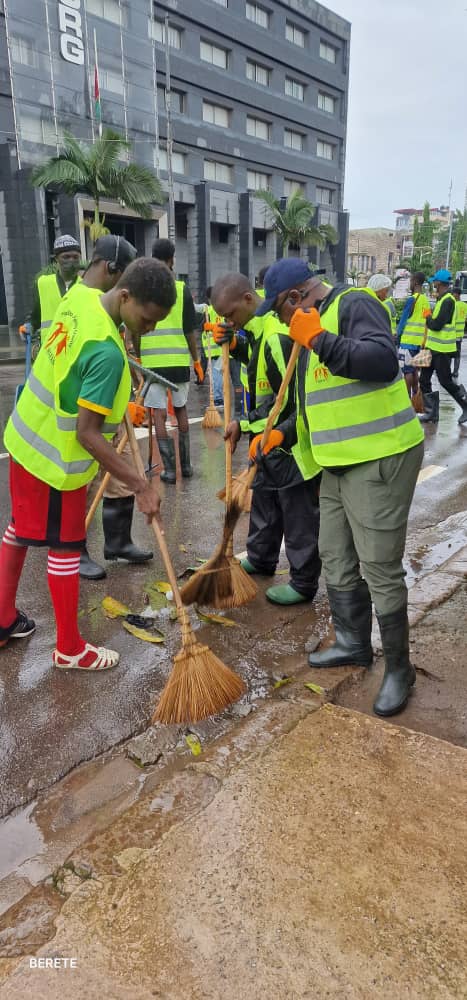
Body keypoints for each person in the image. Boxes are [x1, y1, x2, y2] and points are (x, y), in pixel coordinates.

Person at [259, 258, 425, 717]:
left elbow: (380, 362)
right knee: (334, 554)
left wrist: (318, 338)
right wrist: (282, 434)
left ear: (295, 297)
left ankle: (399, 668)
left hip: (380, 456)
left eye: (278, 311)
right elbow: (319, 404)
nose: (278, 321)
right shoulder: (306, 335)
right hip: (336, 464)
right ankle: (353, 642)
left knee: (378, 565)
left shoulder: (352, 304)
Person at [0, 259, 176, 670]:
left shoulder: (80, 296)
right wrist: (140, 484)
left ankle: (4, 620)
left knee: (19, 530)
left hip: (25, 438)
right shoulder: (107, 356)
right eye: (147, 321)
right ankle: (70, 648)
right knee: (65, 545)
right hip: (56, 462)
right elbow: (87, 434)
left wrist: (123, 335)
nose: (147, 330)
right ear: (126, 295)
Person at [211, 271, 321, 605]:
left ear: (248, 299)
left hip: (287, 443)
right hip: (265, 438)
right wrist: (236, 344)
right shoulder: (256, 332)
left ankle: (303, 582)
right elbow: (258, 366)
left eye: (230, 315)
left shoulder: (275, 336)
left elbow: (285, 402)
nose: (229, 321)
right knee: (265, 501)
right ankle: (261, 558)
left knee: (296, 511)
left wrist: (245, 425)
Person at [56, 235, 153, 581]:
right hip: (78, 416)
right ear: (112, 270)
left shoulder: (94, 300)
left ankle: (118, 542)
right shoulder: (85, 301)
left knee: (116, 474)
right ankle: (75, 550)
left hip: (101, 402)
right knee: (79, 486)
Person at [139, 238, 204, 483]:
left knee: (158, 415)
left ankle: (168, 470)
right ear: (171, 259)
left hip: (152, 364)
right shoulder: (181, 289)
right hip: (177, 362)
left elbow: (135, 329)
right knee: (181, 409)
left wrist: (137, 353)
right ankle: (185, 467)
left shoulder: (142, 289)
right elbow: (190, 330)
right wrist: (196, 361)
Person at [420, 269, 467, 424]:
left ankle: (465, 405)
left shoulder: (448, 301)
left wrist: (427, 315)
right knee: (424, 379)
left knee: (445, 381)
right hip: (431, 348)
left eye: (435, 281)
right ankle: (431, 413)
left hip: (441, 350)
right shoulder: (442, 299)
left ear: (439, 283)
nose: (433, 283)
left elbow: (436, 325)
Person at [28, 235, 81, 343]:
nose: (71, 260)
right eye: (66, 257)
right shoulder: (43, 283)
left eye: (75, 257)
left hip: (77, 349)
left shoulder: (86, 285)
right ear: (56, 258)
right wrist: (29, 326)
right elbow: (36, 315)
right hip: (51, 351)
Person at [397, 272, 431, 401]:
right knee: (415, 371)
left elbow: (403, 320)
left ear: (415, 282)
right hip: (421, 343)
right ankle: (416, 397)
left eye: (411, 281)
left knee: (407, 371)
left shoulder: (412, 299)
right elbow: (428, 321)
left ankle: (407, 400)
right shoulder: (425, 301)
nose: (410, 283)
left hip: (408, 342)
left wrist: (397, 334)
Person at [202, 287, 224, 405]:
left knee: (216, 374)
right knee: (219, 374)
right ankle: (219, 397)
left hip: (214, 349)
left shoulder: (208, 310)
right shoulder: (223, 308)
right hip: (222, 348)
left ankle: (218, 398)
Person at [452, 286, 467, 383]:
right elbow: (465, 318)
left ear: (456, 294)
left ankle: (447, 371)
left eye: (453, 293)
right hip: (460, 334)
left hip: (452, 334)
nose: (452, 295)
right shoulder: (465, 305)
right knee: (457, 354)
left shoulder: (454, 304)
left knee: (448, 354)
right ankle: (455, 372)